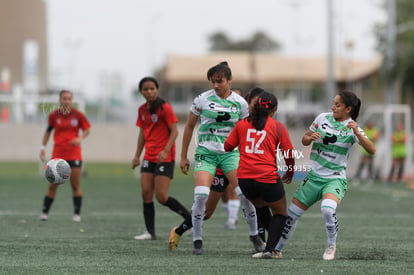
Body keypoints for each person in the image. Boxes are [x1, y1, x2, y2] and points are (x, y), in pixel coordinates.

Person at [275, 91, 376, 260]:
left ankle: (331, 246)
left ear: (348, 109)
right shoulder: (322, 118)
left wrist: (358, 132)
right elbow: (305, 139)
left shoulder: (352, 127)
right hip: (313, 177)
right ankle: (276, 250)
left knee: (328, 210)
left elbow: (372, 150)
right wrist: (310, 137)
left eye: (337, 105)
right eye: (333, 103)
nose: (333, 107)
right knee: (291, 215)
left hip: (334, 179)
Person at [176, 61, 264, 255]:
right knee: (201, 196)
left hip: (230, 155)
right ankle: (197, 240)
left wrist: (248, 156)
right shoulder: (201, 99)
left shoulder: (240, 104)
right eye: (212, 82)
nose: (215, 85)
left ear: (229, 80)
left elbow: (245, 131)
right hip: (205, 154)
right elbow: (189, 126)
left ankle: (254, 235)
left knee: (245, 195)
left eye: (219, 81)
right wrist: (183, 156)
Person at [224, 91, 295, 259]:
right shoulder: (277, 126)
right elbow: (289, 153)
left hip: (245, 179)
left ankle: (269, 246)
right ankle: (271, 250)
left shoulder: (242, 124)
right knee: (280, 213)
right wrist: (290, 172)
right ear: (274, 109)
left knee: (261, 206)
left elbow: (227, 147)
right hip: (267, 177)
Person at [132, 77, 191, 240]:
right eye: (145, 89)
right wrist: (137, 155)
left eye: (152, 88)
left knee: (161, 197)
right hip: (148, 157)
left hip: (165, 157)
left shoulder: (164, 107)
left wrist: (165, 150)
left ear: (157, 90)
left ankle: (189, 220)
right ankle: (150, 233)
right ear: (141, 91)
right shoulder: (142, 110)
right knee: (145, 193)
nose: (149, 92)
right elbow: (142, 134)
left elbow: (175, 131)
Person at [39, 89, 91, 222]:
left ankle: (77, 214)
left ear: (71, 100)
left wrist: (79, 139)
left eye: (69, 98)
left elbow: (86, 130)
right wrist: (43, 148)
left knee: (75, 185)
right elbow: (48, 132)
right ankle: (44, 213)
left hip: (74, 155)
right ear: (60, 100)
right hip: (58, 155)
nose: (67, 101)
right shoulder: (54, 115)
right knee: (53, 185)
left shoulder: (78, 115)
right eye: (64, 98)